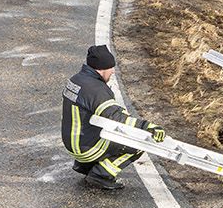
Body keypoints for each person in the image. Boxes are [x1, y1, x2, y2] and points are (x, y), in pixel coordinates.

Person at [62, 45, 154, 191]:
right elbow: (115, 117)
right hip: (86, 148)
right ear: (101, 68)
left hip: (73, 143)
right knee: (140, 141)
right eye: (111, 68)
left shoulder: (76, 80)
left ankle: (85, 166)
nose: (113, 71)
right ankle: (100, 175)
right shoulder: (96, 90)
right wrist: (146, 126)